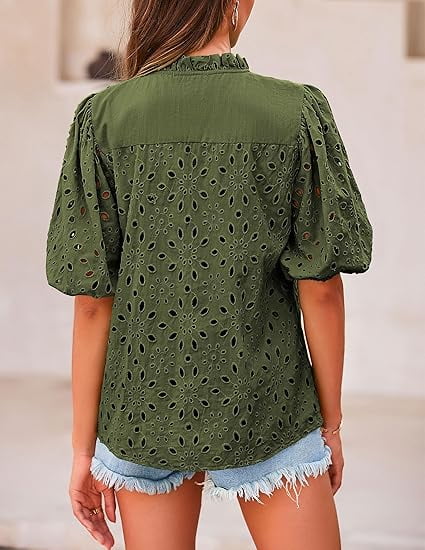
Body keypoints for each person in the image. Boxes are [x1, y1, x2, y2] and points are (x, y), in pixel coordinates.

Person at [45, 0, 373, 548]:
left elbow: (92, 301)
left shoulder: (102, 118)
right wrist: (330, 426)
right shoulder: (296, 112)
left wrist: (84, 451)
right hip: (268, 403)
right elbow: (321, 288)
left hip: (141, 407)